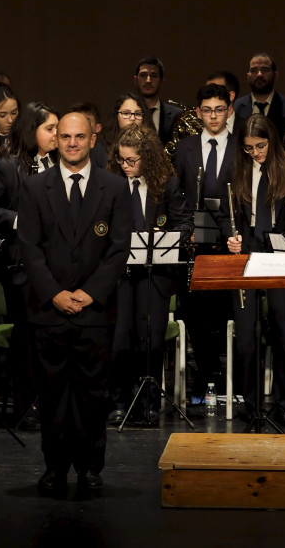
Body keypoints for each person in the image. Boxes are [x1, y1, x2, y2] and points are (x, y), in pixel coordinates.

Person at [18, 112, 131, 492]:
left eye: (79, 137)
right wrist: (55, 294)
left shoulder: (115, 187)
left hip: (94, 311)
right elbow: (30, 249)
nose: (71, 143)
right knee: (51, 394)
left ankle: (90, 468)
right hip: (49, 310)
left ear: (92, 140)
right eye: (64, 136)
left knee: (92, 395)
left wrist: (90, 292)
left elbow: (118, 249)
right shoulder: (34, 187)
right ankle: (54, 467)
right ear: (55, 140)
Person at [0, 102, 60, 425]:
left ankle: (51, 403)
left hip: (55, 267)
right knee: (27, 339)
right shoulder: (8, 166)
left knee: (51, 339)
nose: (57, 135)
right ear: (31, 131)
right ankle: (26, 407)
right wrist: (18, 220)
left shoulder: (60, 164)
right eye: (50, 129)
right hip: (21, 267)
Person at [223, 114, 285, 427]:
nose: (255, 153)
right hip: (245, 260)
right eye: (248, 148)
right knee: (246, 339)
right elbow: (224, 214)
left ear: (271, 141)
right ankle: (251, 405)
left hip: (281, 260)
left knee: (284, 336)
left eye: (260, 146)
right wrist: (230, 237)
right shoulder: (236, 171)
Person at [107, 124, 192, 423]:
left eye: (132, 160)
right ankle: (119, 403)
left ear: (148, 159)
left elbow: (184, 225)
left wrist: (163, 236)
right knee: (120, 340)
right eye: (122, 160)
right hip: (120, 276)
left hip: (155, 274)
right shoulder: (111, 184)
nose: (126, 166)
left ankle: (149, 405)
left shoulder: (166, 184)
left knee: (151, 341)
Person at [173, 82, 238, 397]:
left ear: (229, 110)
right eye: (207, 110)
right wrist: (189, 230)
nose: (213, 116)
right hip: (194, 242)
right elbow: (177, 194)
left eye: (220, 109)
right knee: (195, 311)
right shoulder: (184, 147)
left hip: (230, 241)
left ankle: (228, 374)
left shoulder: (241, 147)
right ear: (198, 112)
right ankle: (205, 372)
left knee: (226, 310)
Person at [233, 53, 285, 136]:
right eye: (254, 70)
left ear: (275, 75)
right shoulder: (235, 107)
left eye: (265, 70)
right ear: (248, 76)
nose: (259, 74)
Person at [133, 56, 181, 145]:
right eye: (143, 75)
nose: (148, 80)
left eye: (153, 76)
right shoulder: (125, 114)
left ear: (162, 81)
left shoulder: (177, 116)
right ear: (136, 80)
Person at [99, 92, 148, 162]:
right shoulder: (100, 151)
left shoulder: (151, 149)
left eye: (138, 114)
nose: (132, 118)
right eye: (126, 113)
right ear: (116, 116)